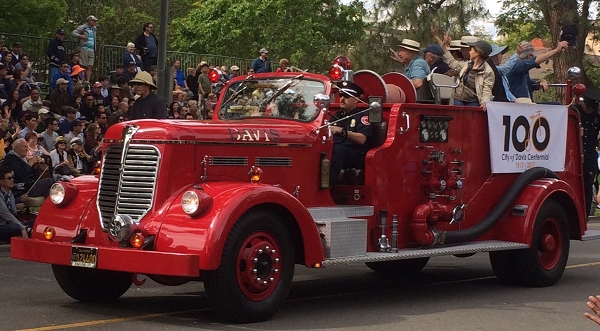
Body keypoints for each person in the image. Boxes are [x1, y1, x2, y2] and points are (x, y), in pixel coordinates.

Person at [329, 81, 372, 187]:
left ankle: (328, 187)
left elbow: (362, 139)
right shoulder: (337, 116)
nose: (342, 98)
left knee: (338, 149)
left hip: (355, 155)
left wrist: (342, 131)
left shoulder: (362, 116)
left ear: (356, 100)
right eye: (341, 95)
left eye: (347, 96)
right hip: (338, 152)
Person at [441, 39, 495, 110]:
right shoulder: (467, 65)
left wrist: (484, 102)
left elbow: (487, 90)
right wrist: (444, 49)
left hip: (473, 102)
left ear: (477, 53)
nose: (469, 52)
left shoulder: (488, 71)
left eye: (471, 50)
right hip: (458, 99)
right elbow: (452, 63)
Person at [577, 87, 600, 217]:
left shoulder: (597, 117)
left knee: (587, 189)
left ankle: (584, 217)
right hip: (575, 156)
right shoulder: (576, 111)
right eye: (588, 107)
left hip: (589, 157)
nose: (589, 110)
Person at [0, 167, 31, 242]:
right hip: (2, 225)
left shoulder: (10, 194)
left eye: (12, 178)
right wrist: (22, 227)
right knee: (15, 227)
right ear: (1, 182)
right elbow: (6, 214)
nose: (12, 180)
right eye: (9, 178)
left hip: (12, 223)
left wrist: (22, 225)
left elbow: (14, 213)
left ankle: (27, 231)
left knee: (35, 222)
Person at [71, 15, 98, 82]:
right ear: (89, 21)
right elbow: (73, 33)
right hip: (84, 48)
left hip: (92, 49)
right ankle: (81, 79)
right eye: (93, 21)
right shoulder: (83, 27)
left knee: (90, 66)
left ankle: (87, 81)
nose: (95, 22)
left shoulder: (94, 28)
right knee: (83, 65)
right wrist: (80, 36)